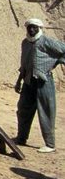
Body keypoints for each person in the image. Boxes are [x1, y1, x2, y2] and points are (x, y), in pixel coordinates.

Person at [13, 18, 65, 153]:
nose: (31, 30)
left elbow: (63, 50)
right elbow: (23, 63)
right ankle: (21, 138)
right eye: (29, 27)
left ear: (40, 28)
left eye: (34, 28)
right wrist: (19, 80)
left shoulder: (46, 42)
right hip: (28, 82)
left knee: (46, 112)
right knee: (23, 110)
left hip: (44, 82)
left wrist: (55, 62)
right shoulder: (25, 43)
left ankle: (50, 144)